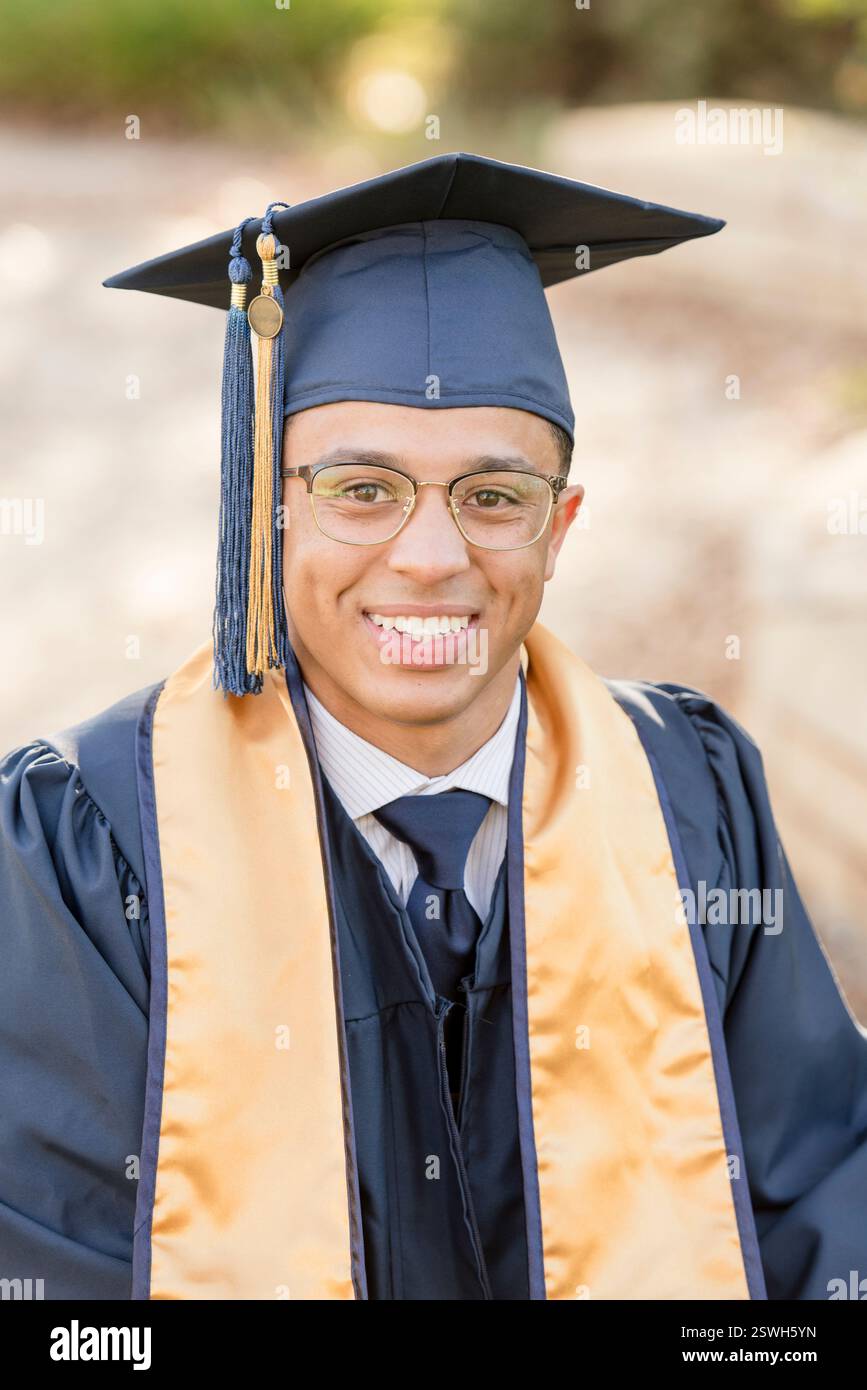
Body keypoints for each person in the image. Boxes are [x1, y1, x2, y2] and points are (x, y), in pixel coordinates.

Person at [1, 152, 864, 1302]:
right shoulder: (91, 841)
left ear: (560, 530)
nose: (430, 555)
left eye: (493, 497)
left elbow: (818, 1211)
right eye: (361, 489)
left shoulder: (690, 795)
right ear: (266, 507)